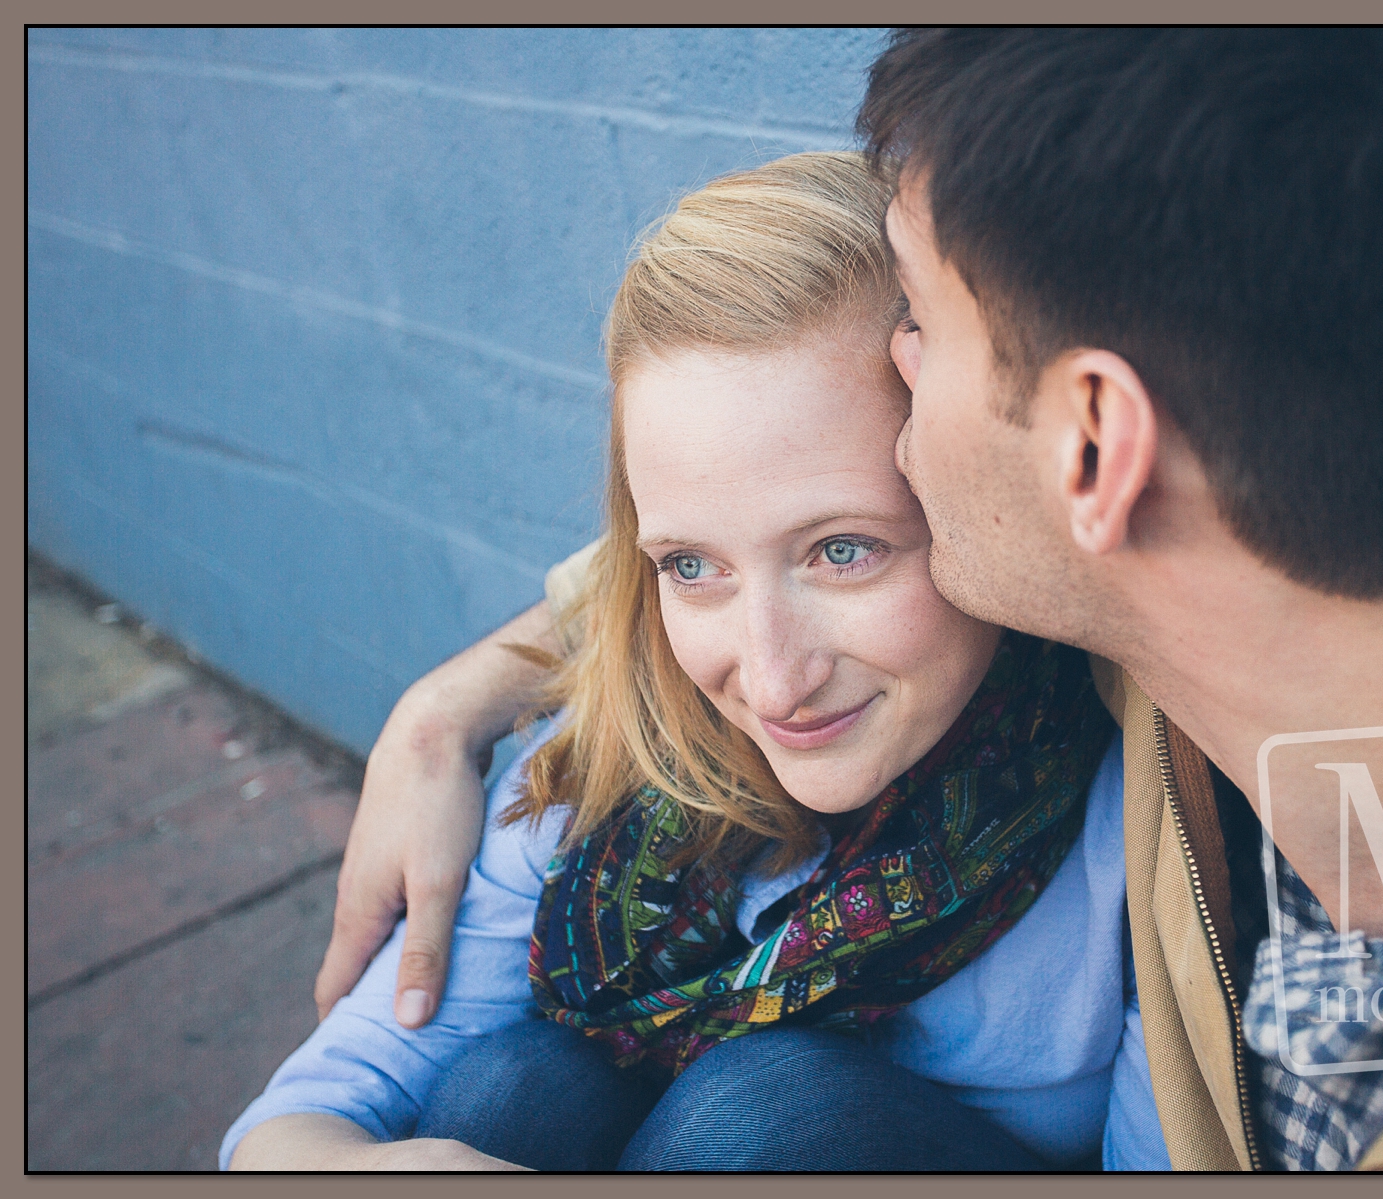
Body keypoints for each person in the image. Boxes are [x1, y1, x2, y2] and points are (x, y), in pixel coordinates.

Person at [317, 30, 1383, 1170]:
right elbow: (720, 542)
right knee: (522, 1089)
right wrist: (459, 697)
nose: (895, 378)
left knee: (757, 1119)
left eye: (920, 325)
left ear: (1093, 448)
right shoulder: (1347, 477)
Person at [224, 152, 1157, 1171]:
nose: (772, 678)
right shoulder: (611, 769)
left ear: (975, 500)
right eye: (692, 565)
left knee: (763, 1111)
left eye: (844, 550)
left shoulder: (1134, 814)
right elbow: (297, 1118)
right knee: (517, 1086)